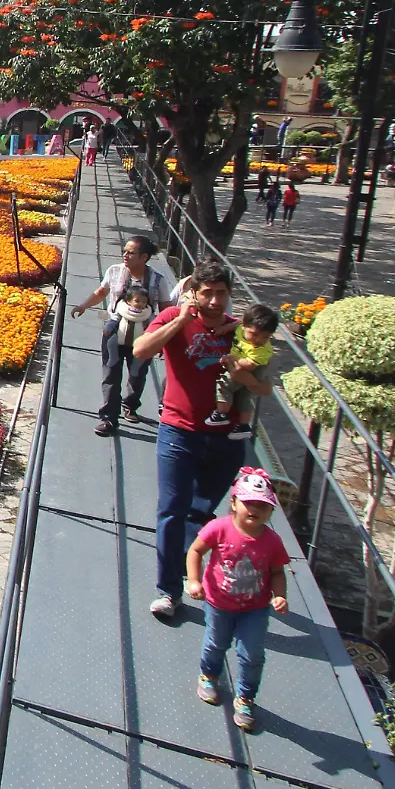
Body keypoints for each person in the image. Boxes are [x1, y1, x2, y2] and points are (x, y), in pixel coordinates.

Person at [133, 259, 272, 620]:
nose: (214, 301)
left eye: (221, 294)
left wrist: (242, 373)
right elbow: (141, 351)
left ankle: (185, 562)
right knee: (171, 510)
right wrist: (180, 320)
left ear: (229, 295)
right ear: (193, 293)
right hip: (178, 431)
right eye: (207, 293)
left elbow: (264, 389)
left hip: (225, 439)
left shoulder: (241, 331)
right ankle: (168, 590)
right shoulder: (173, 320)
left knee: (201, 510)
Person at [187, 467, 292, 733]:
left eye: (262, 506)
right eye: (248, 503)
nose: (254, 510)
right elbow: (196, 551)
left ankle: (245, 697)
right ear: (234, 502)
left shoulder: (272, 541)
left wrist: (280, 595)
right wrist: (194, 580)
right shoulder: (219, 528)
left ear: (270, 512)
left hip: (254, 609)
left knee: (252, 653)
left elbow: (277, 572)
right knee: (216, 643)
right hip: (219, 603)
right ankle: (209, 675)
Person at [69, 235, 173, 436]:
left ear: (144, 257)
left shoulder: (158, 280)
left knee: (137, 374)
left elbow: (166, 309)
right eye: (124, 251)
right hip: (115, 331)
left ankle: (131, 404)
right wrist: (83, 305)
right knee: (111, 373)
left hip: (144, 334)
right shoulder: (115, 271)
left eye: (131, 252)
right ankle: (109, 418)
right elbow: (102, 292)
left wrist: (163, 339)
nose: (125, 255)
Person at [205, 305, 279, 439]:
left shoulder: (262, 349)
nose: (258, 340)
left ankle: (221, 414)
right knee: (244, 398)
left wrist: (231, 359)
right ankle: (244, 426)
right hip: (245, 365)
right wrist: (224, 328)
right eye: (254, 334)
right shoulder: (241, 327)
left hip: (251, 368)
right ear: (245, 326)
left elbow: (249, 366)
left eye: (265, 337)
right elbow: (236, 324)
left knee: (224, 386)